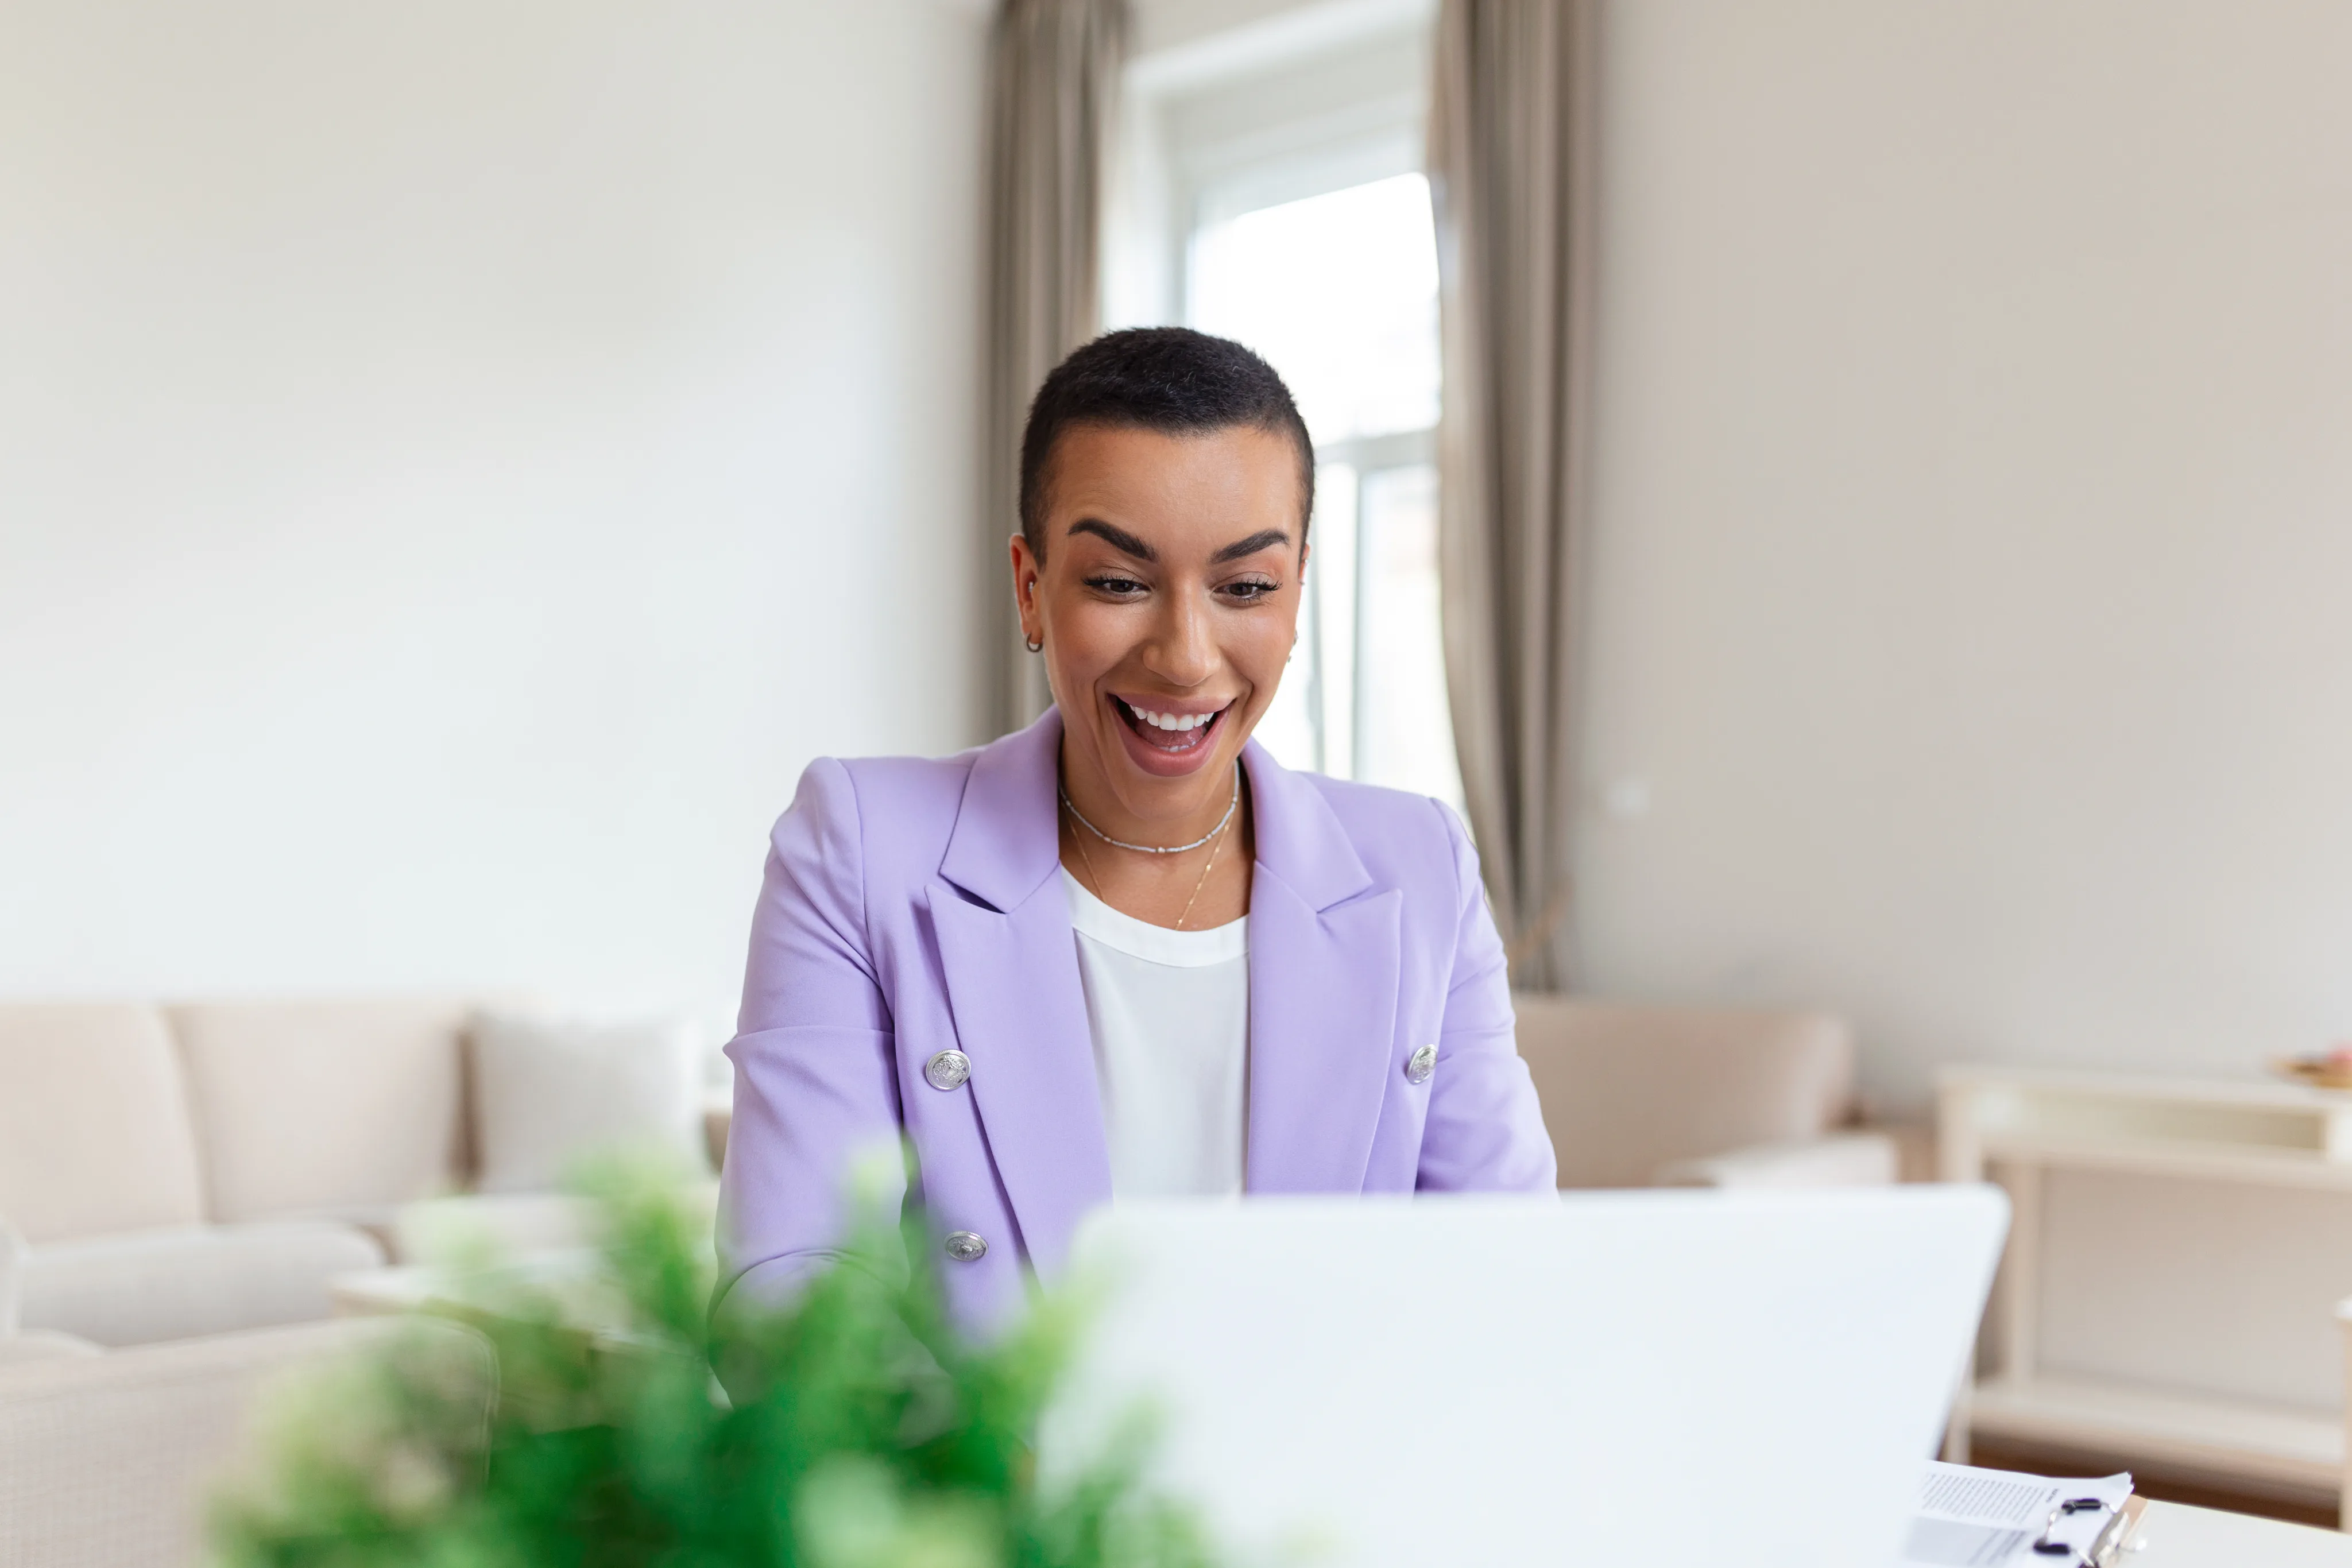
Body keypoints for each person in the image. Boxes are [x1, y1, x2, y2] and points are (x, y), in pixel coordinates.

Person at [717, 327, 1553, 1328]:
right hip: (987, 1436)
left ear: (1297, 593)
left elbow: (1515, 1281)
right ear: (1031, 588)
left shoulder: (1421, 867)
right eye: (1120, 582)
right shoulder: (860, 848)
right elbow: (794, 1306)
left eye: (1245, 587)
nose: (1186, 656)